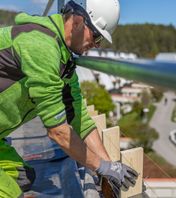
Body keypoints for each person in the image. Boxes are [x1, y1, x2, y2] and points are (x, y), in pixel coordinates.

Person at [0, 0, 137, 197]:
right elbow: (58, 132)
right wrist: (101, 166)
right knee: (10, 192)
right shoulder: (41, 47)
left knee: (23, 177)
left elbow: (79, 117)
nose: (97, 45)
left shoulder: (63, 60)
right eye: (96, 35)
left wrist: (109, 167)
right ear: (79, 20)